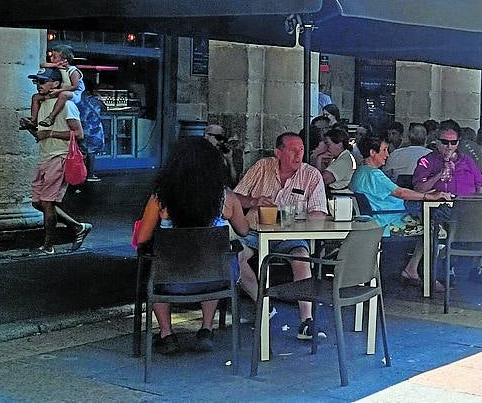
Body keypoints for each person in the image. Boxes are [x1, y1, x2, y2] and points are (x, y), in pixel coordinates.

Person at [134, 137, 250, 354]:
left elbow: (142, 238)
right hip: (216, 282)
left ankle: (167, 333)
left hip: (170, 282)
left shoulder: (160, 199)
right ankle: (206, 328)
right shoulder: (226, 197)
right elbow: (244, 231)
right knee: (217, 259)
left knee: (154, 262)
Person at [233, 132, 328, 341]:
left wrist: (295, 216)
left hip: (289, 235)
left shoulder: (311, 175)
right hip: (254, 233)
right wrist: (254, 200)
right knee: (235, 257)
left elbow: (319, 213)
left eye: (301, 149)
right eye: (293, 149)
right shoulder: (262, 167)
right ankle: (263, 304)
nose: (298, 154)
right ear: (278, 152)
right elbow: (235, 197)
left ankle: (306, 321)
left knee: (302, 258)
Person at [350, 133, 452, 292]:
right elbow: (400, 193)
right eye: (384, 150)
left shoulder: (359, 173)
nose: (387, 155)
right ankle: (425, 277)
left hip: (375, 219)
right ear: (372, 152)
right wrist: (428, 196)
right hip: (388, 222)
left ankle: (411, 269)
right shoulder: (374, 174)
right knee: (435, 230)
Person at [20, 68, 92, 254]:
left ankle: (48, 245)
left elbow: (79, 134)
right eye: (37, 82)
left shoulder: (67, 105)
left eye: (43, 81)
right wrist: (30, 127)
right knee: (38, 202)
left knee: (47, 202)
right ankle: (78, 227)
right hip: (45, 156)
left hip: (59, 157)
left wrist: (51, 133)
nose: (39, 85)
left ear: (56, 84)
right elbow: (40, 135)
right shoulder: (42, 103)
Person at [412, 121, 482, 197]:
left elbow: (480, 185)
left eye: (453, 142)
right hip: (438, 205)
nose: (449, 147)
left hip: (466, 205)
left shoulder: (467, 160)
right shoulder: (426, 161)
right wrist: (439, 174)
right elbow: (418, 189)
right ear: (437, 141)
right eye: (445, 142)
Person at [26, 44, 85, 129]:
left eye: (54, 57)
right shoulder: (57, 68)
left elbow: (74, 86)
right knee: (36, 97)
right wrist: (55, 65)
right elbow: (42, 64)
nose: (51, 59)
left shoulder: (73, 71)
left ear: (64, 59)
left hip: (73, 94)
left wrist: (59, 91)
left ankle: (51, 117)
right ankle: (33, 120)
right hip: (59, 91)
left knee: (63, 95)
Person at [311, 126, 356, 190]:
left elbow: (321, 181)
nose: (326, 147)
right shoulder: (339, 158)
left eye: (328, 144)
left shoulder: (343, 162)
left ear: (340, 145)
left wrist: (319, 159)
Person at [78, 86, 106, 183]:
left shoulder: (78, 101)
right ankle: (90, 174)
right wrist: (99, 97)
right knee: (91, 152)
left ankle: (82, 173)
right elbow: (105, 108)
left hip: (82, 128)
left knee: (82, 151)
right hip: (94, 129)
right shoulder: (95, 100)